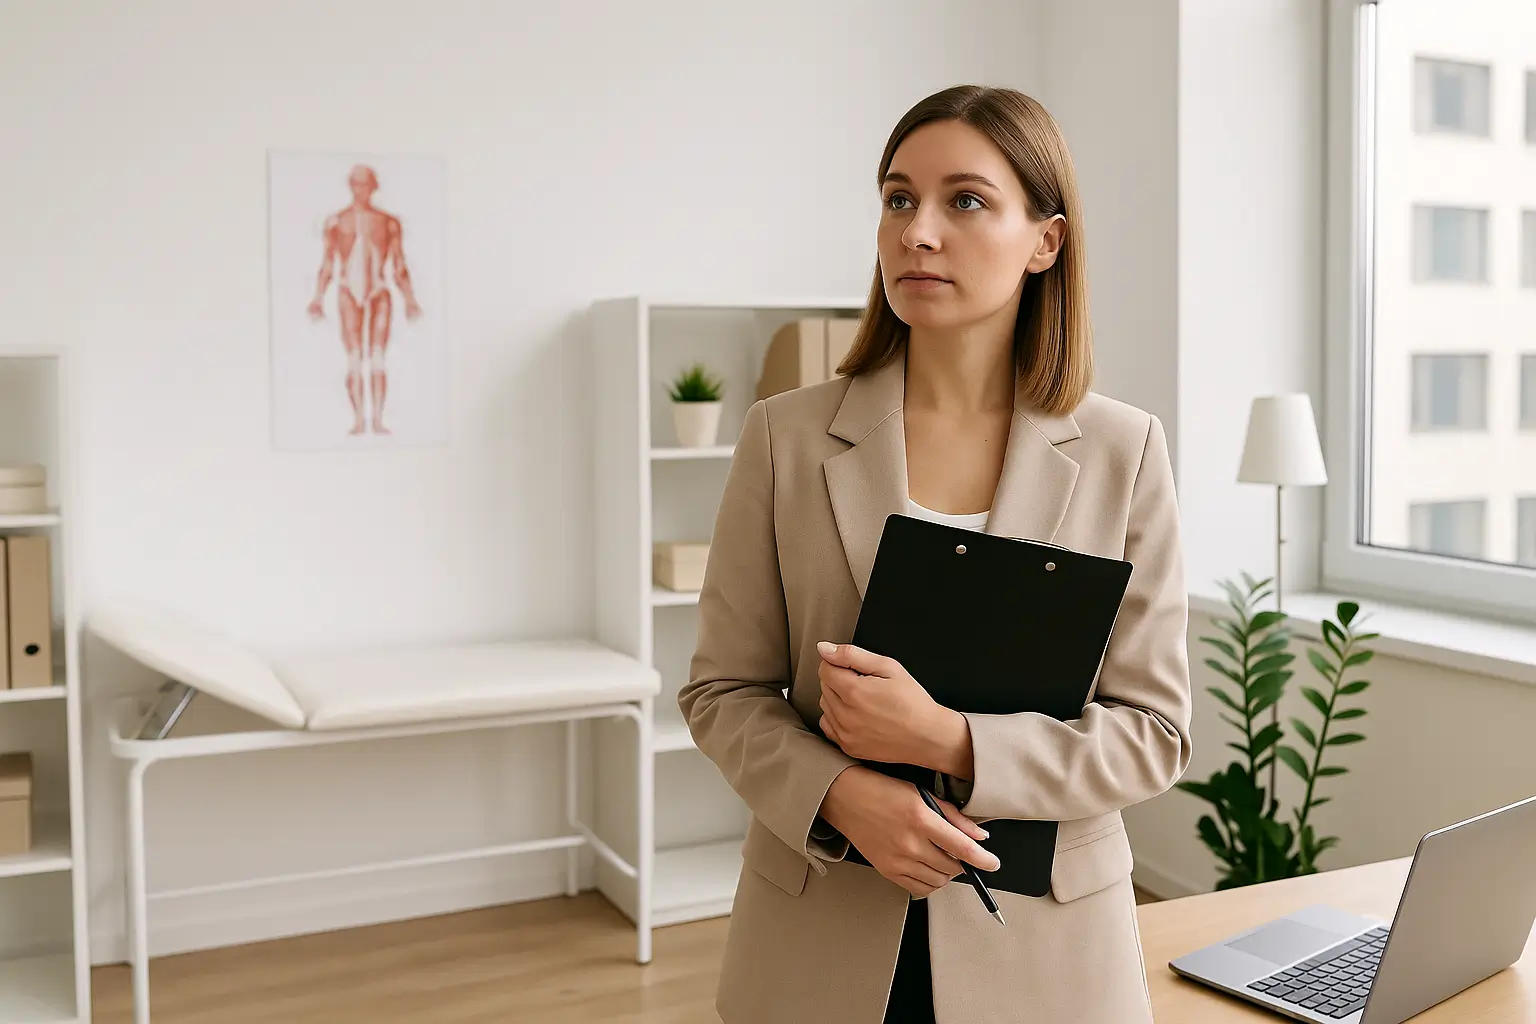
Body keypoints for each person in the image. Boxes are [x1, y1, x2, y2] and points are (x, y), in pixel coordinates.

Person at [677, 85, 1193, 1023]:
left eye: (965, 200)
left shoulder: (1126, 452)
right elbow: (721, 692)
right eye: (898, 197)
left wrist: (950, 741)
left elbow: (1153, 730)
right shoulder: (783, 438)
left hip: (1048, 953)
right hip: (818, 938)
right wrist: (840, 796)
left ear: (1047, 241)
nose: (918, 232)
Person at [307, 164, 422, 436]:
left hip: (379, 290)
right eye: (356, 184)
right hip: (348, 291)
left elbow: (399, 264)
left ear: (373, 187)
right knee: (355, 358)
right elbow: (327, 264)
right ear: (351, 186)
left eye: (366, 184)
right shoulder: (336, 222)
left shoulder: (388, 222)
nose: (361, 189)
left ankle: (378, 419)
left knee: (378, 357)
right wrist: (318, 297)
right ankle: (359, 420)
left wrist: (409, 299)